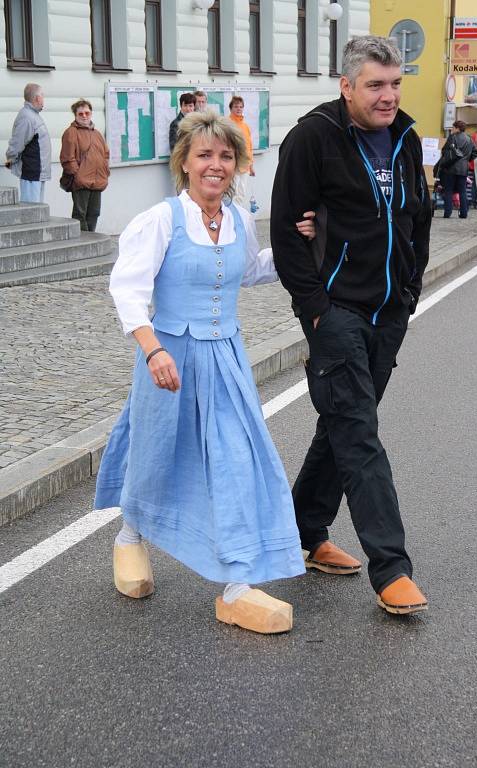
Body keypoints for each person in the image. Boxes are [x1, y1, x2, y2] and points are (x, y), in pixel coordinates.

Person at [94, 111, 316, 635]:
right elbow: (127, 290)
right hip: (168, 357)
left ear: (236, 165)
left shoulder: (238, 217)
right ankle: (129, 537)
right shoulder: (162, 220)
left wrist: (295, 244)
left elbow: (252, 271)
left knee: (237, 460)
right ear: (185, 164)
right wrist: (152, 351)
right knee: (155, 453)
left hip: (225, 358)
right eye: (204, 156)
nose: (215, 166)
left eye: (225, 157)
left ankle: (236, 586)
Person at [270, 35, 432, 616]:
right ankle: (392, 568)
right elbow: (288, 230)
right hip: (336, 311)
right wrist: (315, 307)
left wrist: (410, 291)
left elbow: (420, 217)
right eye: (375, 86)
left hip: (389, 311)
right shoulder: (313, 137)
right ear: (346, 86)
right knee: (359, 431)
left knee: (340, 424)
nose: (388, 96)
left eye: (394, 84)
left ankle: (304, 532)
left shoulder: (407, 137)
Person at [59, 99, 110, 232]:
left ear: (91, 113)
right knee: (80, 214)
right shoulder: (71, 132)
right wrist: (77, 174)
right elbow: (67, 158)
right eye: (80, 114)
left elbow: (105, 154)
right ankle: (81, 242)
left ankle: (91, 239)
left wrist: (105, 172)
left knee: (94, 213)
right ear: (75, 115)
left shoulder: (97, 134)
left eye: (87, 113)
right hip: (81, 182)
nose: (84, 116)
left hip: (98, 180)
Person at [5, 83, 51, 203]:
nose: (43, 99)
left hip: (37, 173)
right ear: (37, 98)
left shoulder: (33, 115)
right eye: (42, 96)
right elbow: (17, 143)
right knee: (30, 213)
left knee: (38, 212)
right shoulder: (27, 117)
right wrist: (10, 159)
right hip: (31, 173)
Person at [439, 121, 477, 220]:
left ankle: (447, 212)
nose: (452, 129)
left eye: (453, 127)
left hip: (450, 168)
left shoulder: (452, 137)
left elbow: (444, 151)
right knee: (462, 191)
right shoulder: (469, 139)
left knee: (448, 190)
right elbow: (475, 153)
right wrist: (466, 160)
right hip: (463, 168)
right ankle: (464, 213)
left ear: (457, 128)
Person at [228, 96, 254, 209]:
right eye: (236, 107)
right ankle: (230, 215)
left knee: (241, 193)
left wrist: (251, 165)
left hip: (245, 165)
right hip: (234, 164)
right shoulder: (227, 124)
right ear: (231, 108)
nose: (238, 109)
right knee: (231, 192)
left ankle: (238, 215)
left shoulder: (245, 126)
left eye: (241, 107)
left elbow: (249, 147)